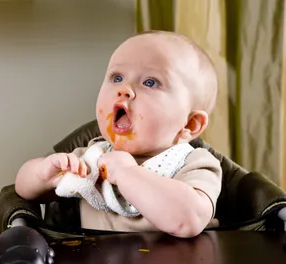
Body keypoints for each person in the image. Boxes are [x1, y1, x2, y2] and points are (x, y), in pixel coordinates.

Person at [15, 30, 222, 238]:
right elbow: (22, 188)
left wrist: (128, 173)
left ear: (190, 124)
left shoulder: (192, 163)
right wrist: (43, 173)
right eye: (117, 77)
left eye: (150, 82)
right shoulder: (94, 156)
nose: (125, 89)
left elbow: (187, 220)